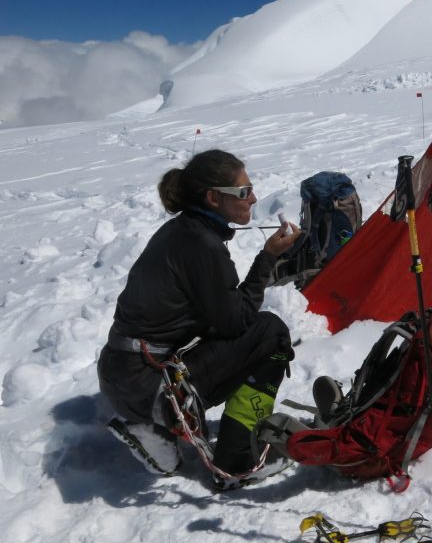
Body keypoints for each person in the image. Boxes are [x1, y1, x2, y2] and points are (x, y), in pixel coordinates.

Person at [97, 149, 301, 490]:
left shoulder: (181, 232)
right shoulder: (201, 244)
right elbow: (237, 322)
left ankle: (153, 428)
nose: (253, 199)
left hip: (126, 374)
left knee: (250, 335)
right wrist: (267, 258)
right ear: (213, 198)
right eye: (243, 192)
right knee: (270, 333)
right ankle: (238, 460)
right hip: (149, 382)